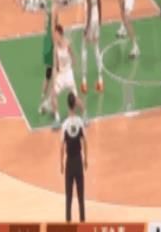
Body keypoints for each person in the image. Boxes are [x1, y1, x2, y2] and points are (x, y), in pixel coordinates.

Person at [49, 24, 86, 129]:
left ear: (59, 34)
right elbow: (55, 65)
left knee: (75, 99)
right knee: (53, 95)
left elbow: (73, 57)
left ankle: (84, 114)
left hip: (68, 74)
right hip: (61, 75)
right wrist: (54, 80)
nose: (53, 36)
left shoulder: (67, 44)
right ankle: (57, 119)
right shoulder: (55, 48)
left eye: (55, 34)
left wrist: (72, 65)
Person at [61, 92, 87, 223]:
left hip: (69, 163)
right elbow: (85, 141)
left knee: (69, 197)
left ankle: (68, 223)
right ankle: (83, 223)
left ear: (67, 105)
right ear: (75, 105)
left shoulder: (65, 124)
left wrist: (61, 163)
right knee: (81, 197)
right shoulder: (80, 122)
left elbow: (62, 145)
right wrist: (86, 159)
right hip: (78, 161)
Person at [39, 0, 61, 116]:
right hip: (52, 41)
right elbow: (53, 27)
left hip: (46, 40)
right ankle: (52, 105)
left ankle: (42, 102)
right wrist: (57, 44)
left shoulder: (48, 1)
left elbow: (45, 23)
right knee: (55, 74)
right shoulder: (55, 6)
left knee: (48, 74)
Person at [81, 0, 103, 93]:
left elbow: (89, 4)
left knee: (84, 47)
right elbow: (99, 0)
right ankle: (100, 80)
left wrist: (87, 25)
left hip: (89, 16)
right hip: (96, 14)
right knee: (96, 48)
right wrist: (100, 19)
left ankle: (84, 81)